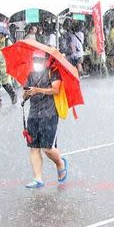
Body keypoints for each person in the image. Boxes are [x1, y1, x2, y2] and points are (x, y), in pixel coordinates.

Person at [23, 52, 68, 189]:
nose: (37, 62)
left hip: (49, 114)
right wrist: (26, 94)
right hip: (33, 114)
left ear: (46, 60)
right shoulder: (31, 74)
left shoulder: (53, 72)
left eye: (40, 60)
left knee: (47, 148)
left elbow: (55, 90)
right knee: (34, 147)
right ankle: (38, 178)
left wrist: (37, 90)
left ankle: (60, 163)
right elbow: (25, 91)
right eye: (35, 59)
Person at [0, 31, 17, 107]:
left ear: (1, 34)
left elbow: (12, 52)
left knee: (5, 83)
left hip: (4, 66)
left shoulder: (7, 42)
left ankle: (13, 95)